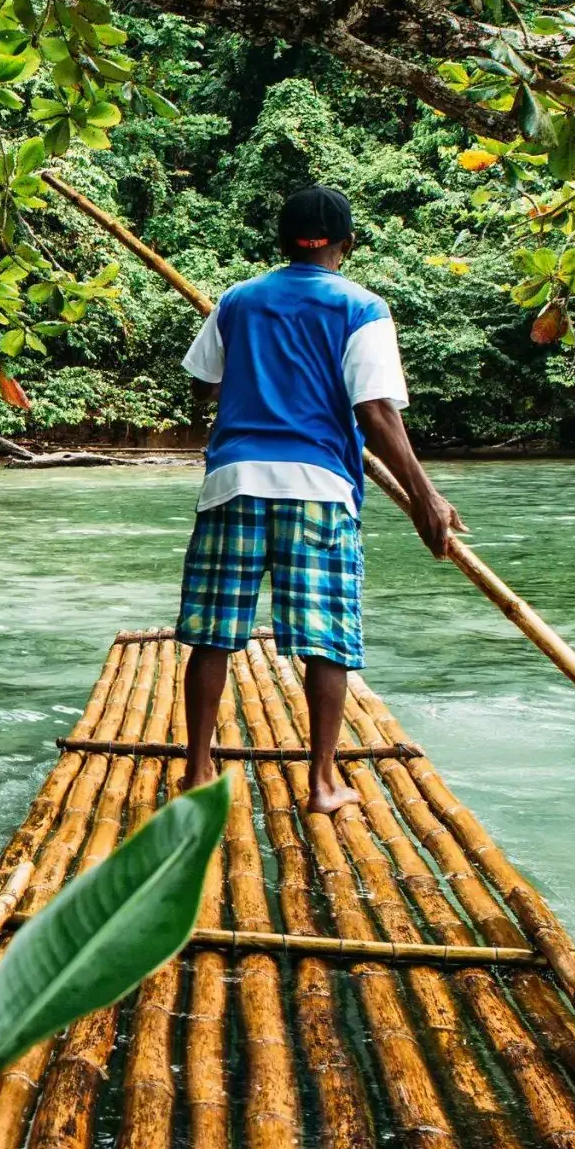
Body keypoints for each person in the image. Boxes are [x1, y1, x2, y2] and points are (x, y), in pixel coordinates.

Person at [175, 185, 460, 815]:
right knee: (325, 640)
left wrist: (250, 357)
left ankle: (198, 773)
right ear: (346, 245)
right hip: (320, 489)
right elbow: (376, 411)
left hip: (235, 482)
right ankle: (323, 782)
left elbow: (202, 386)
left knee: (214, 635)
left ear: (281, 243)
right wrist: (425, 497)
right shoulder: (361, 307)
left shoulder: (238, 300)